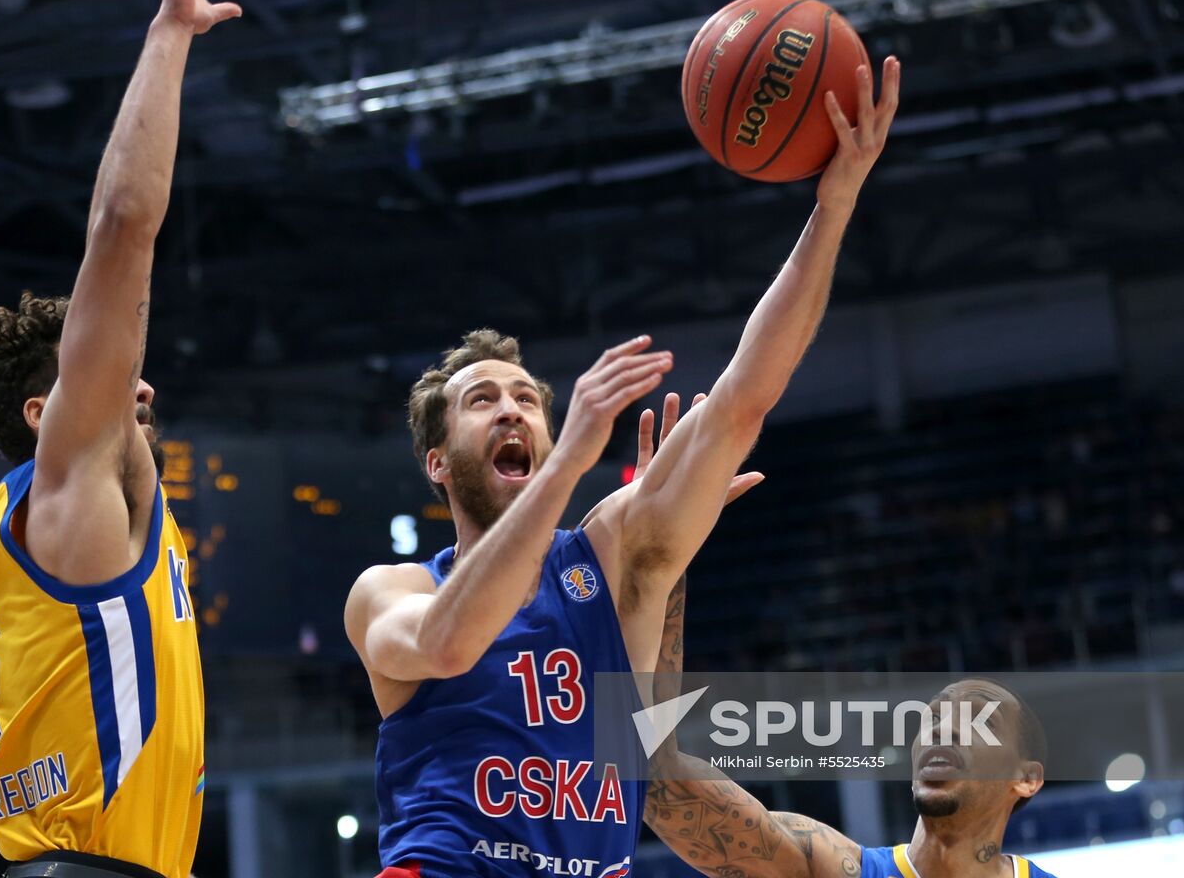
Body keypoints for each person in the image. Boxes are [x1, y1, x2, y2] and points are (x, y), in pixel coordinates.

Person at [344, 56, 901, 877]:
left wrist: (833, 207)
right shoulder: (394, 592)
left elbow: (743, 399)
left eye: (527, 399)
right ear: (437, 461)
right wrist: (571, 459)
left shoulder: (607, 554)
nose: (511, 410)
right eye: (482, 401)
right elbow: (451, 642)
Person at [0, 0, 240, 876]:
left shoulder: (58, 526)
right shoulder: (72, 485)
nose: (140, 383)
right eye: (112, 380)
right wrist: (170, 37)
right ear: (49, 415)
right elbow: (122, 228)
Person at [642, 573, 1057, 878]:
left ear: (1026, 778)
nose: (942, 728)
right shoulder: (826, 866)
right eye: (933, 715)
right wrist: (666, 545)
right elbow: (652, 772)